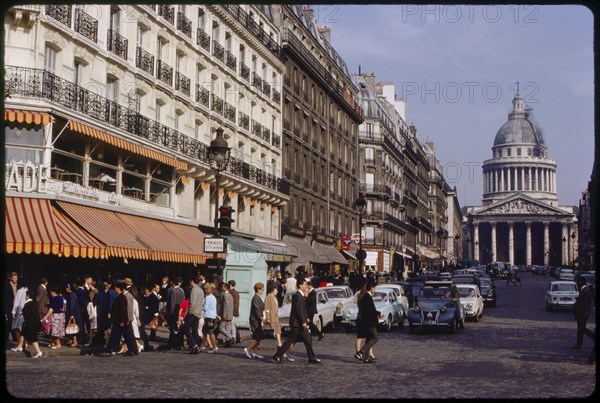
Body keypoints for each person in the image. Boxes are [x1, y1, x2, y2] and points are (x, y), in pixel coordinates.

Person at [273, 277, 320, 364]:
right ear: (300, 285)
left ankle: (311, 357)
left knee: (307, 338)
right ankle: (278, 355)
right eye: (305, 284)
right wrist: (303, 322)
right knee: (291, 340)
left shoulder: (299, 295)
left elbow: (301, 310)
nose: (306, 286)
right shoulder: (299, 296)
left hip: (298, 323)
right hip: (297, 323)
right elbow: (299, 310)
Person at [98, 280, 137, 356]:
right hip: (120, 321)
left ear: (118, 288)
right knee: (127, 336)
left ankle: (108, 350)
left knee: (117, 337)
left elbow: (123, 310)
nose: (115, 290)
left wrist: (122, 321)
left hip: (120, 321)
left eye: (115, 288)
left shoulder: (121, 297)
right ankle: (132, 349)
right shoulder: (121, 297)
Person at [356, 279, 383, 364]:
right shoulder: (367, 297)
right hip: (370, 322)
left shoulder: (366, 297)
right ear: (371, 288)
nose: (374, 290)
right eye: (374, 288)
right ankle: (362, 352)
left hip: (367, 321)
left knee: (368, 339)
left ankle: (367, 358)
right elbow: (370, 310)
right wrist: (379, 313)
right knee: (375, 337)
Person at [244, 282, 266, 359]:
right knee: (258, 337)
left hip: (257, 320)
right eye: (262, 289)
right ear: (258, 290)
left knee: (257, 336)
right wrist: (261, 318)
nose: (263, 291)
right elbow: (257, 309)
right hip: (255, 320)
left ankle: (255, 352)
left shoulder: (258, 298)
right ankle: (248, 349)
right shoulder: (255, 298)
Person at [183, 276, 204, 354]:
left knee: (185, 328)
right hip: (198, 312)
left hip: (193, 312)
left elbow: (192, 303)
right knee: (194, 329)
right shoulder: (201, 290)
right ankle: (196, 347)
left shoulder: (194, 290)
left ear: (192, 281)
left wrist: (188, 313)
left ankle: (194, 345)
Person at [20, 290, 43, 358]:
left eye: (25, 295)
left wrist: (22, 313)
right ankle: (21, 346)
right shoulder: (33, 303)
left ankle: (39, 352)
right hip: (35, 323)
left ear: (27, 296)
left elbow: (27, 315)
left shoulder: (27, 304)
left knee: (33, 339)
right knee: (23, 333)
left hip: (30, 323)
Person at [571, 277, 593, 350]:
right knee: (581, 329)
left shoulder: (585, 291)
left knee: (582, 329)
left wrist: (578, 314)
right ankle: (578, 344)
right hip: (583, 314)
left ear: (581, 282)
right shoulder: (584, 290)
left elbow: (583, 305)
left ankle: (580, 344)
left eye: (578, 281)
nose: (577, 283)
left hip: (583, 314)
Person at [167, 277, 185, 349]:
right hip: (180, 310)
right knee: (179, 327)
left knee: (173, 328)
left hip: (174, 311)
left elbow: (172, 302)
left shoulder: (173, 290)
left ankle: (173, 342)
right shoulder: (182, 290)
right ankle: (179, 342)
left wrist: (171, 312)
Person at [10, 284, 28, 352]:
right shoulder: (27, 290)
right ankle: (24, 343)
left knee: (17, 329)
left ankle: (19, 344)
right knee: (23, 328)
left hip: (19, 311)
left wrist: (13, 312)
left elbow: (16, 302)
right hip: (25, 311)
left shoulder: (19, 291)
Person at [202, 282, 218, 353]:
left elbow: (205, 307)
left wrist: (200, 305)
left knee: (210, 332)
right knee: (206, 332)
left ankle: (214, 346)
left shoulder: (208, 298)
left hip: (208, 316)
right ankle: (210, 346)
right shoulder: (213, 297)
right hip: (212, 316)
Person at [218, 282, 235, 347]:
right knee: (227, 329)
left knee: (221, 328)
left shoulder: (226, 295)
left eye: (222, 287)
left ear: (225, 288)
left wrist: (224, 315)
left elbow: (226, 306)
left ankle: (231, 338)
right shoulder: (230, 295)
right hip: (230, 315)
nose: (222, 288)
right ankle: (228, 343)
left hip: (226, 315)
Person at [5, 272, 19, 343]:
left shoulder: (18, 285)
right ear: (10, 278)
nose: (16, 279)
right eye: (14, 278)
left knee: (15, 322)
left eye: (16, 278)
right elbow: (7, 297)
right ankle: (7, 337)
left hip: (16, 306)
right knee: (10, 321)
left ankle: (14, 337)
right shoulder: (7, 285)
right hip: (10, 306)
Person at [228, 280, 241, 344]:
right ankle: (234, 338)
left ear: (230, 285)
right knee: (232, 324)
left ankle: (232, 338)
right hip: (235, 311)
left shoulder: (230, 292)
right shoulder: (236, 293)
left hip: (230, 311)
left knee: (230, 325)